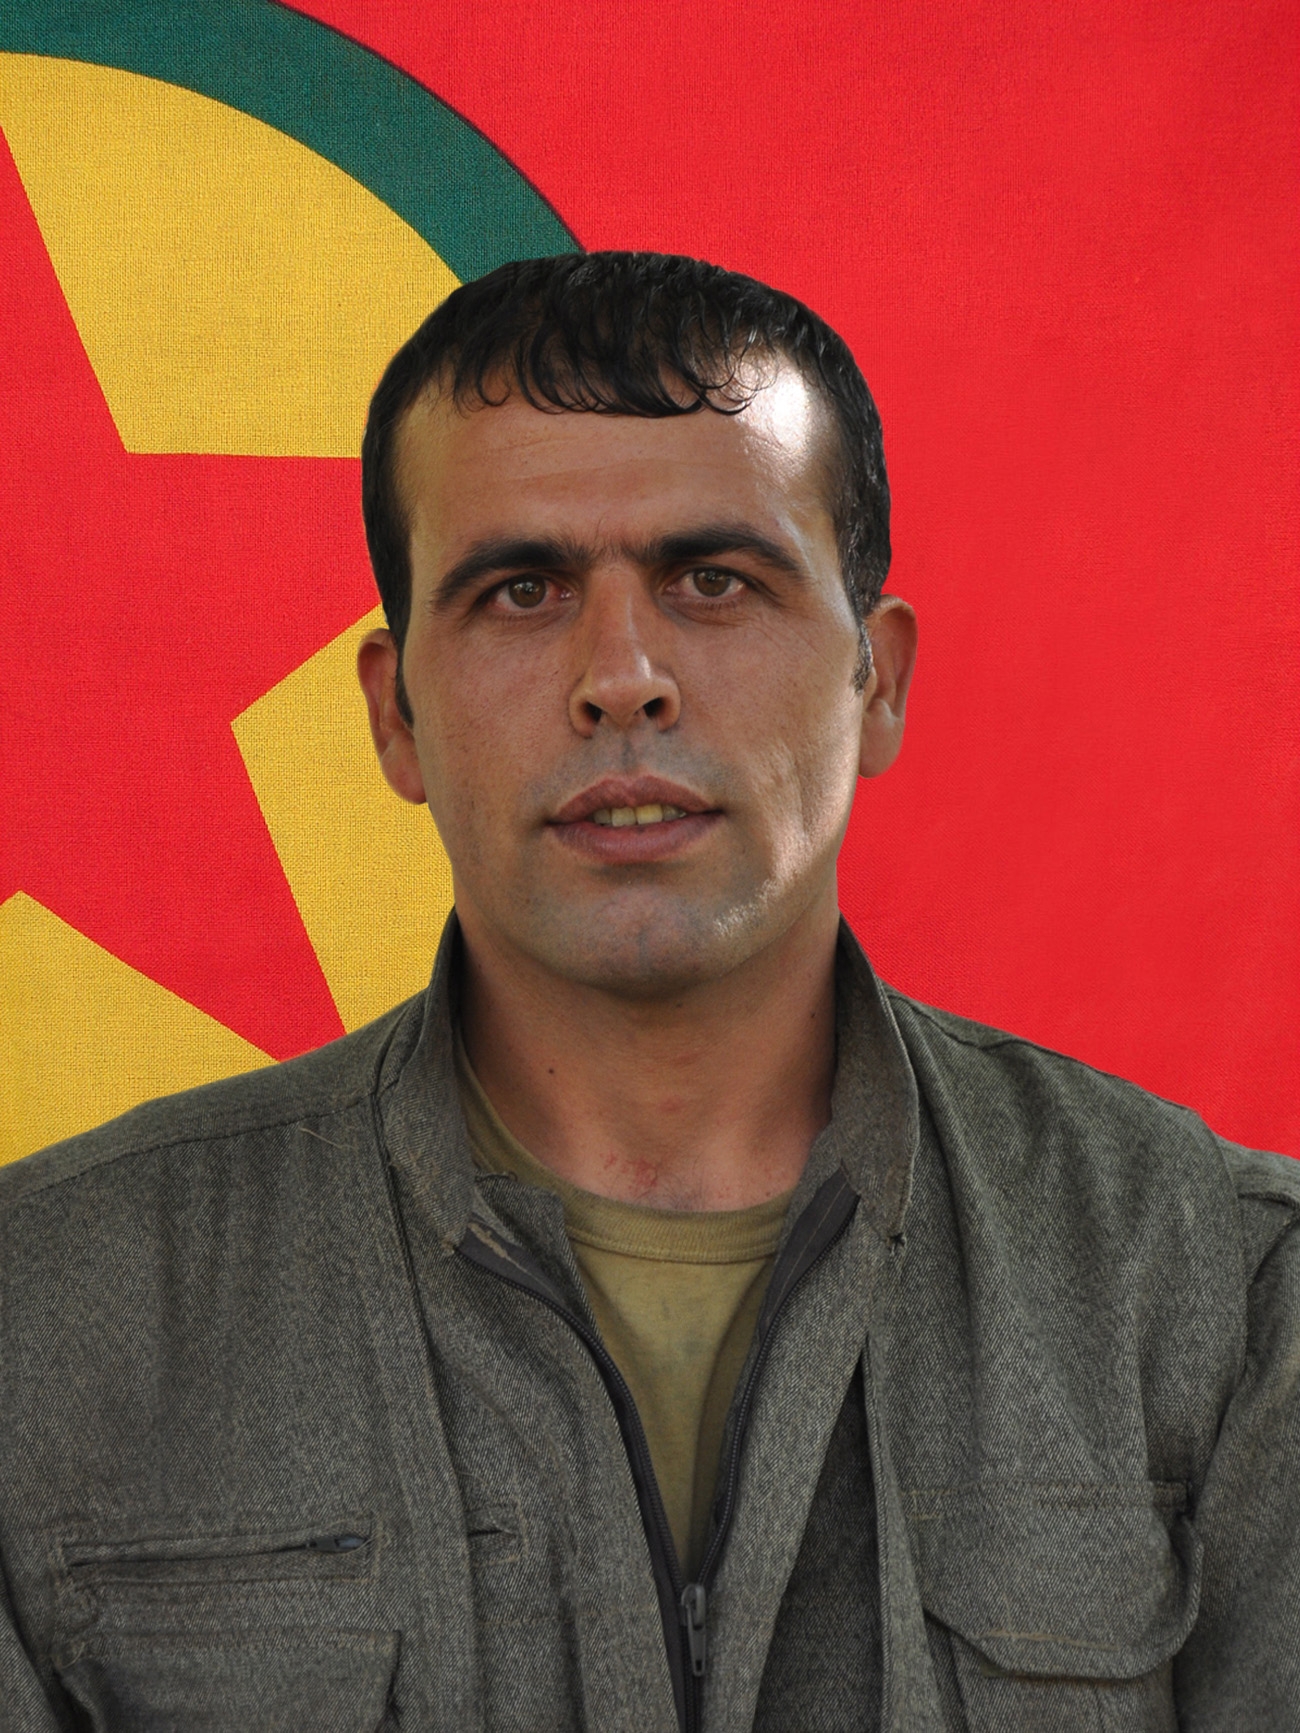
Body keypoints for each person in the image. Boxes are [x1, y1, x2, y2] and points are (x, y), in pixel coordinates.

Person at [0, 253, 1296, 1733]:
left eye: (713, 580)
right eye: (522, 590)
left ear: (877, 682)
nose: (622, 677)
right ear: (394, 713)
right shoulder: (42, 1322)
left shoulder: (1222, 1300)